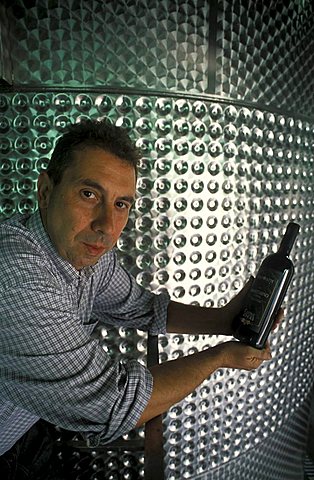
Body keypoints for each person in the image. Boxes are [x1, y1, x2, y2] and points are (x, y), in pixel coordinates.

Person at [0, 118, 281, 478]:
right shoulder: (16, 274)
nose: (106, 224)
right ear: (45, 191)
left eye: (121, 204)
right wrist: (220, 357)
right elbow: (111, 406)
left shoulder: (82, 249)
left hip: (23, 427)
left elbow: (137, 306)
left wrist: (223, 320)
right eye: (89, 195)